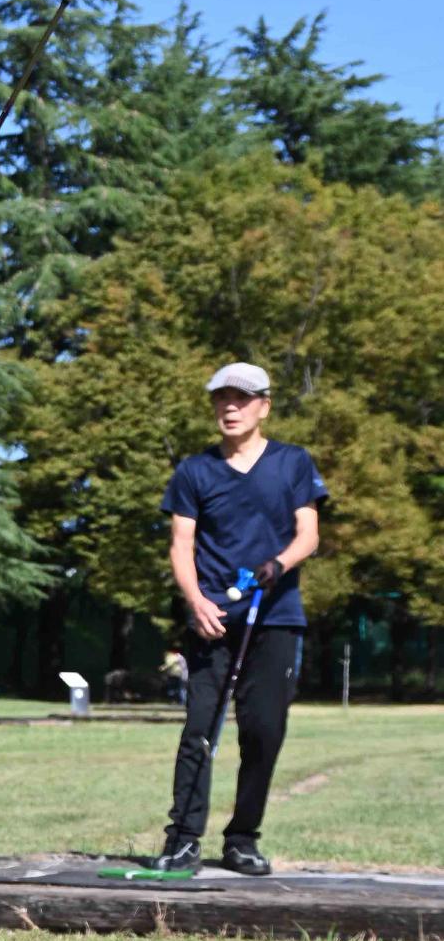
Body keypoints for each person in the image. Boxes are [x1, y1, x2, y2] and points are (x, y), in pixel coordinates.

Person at [154, 361, 328, 875]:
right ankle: (183, 838)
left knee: (263, 730)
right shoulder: (194, 471)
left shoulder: (293, 463)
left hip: (274, 618)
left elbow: (309, 534)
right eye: (222, 398)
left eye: (243, 398)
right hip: (212, 619)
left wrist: (278, 564)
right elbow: (181, 545)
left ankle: (242, 839)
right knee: (199, 731)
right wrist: (196, 601)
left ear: (264, 406)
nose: (231, 407)